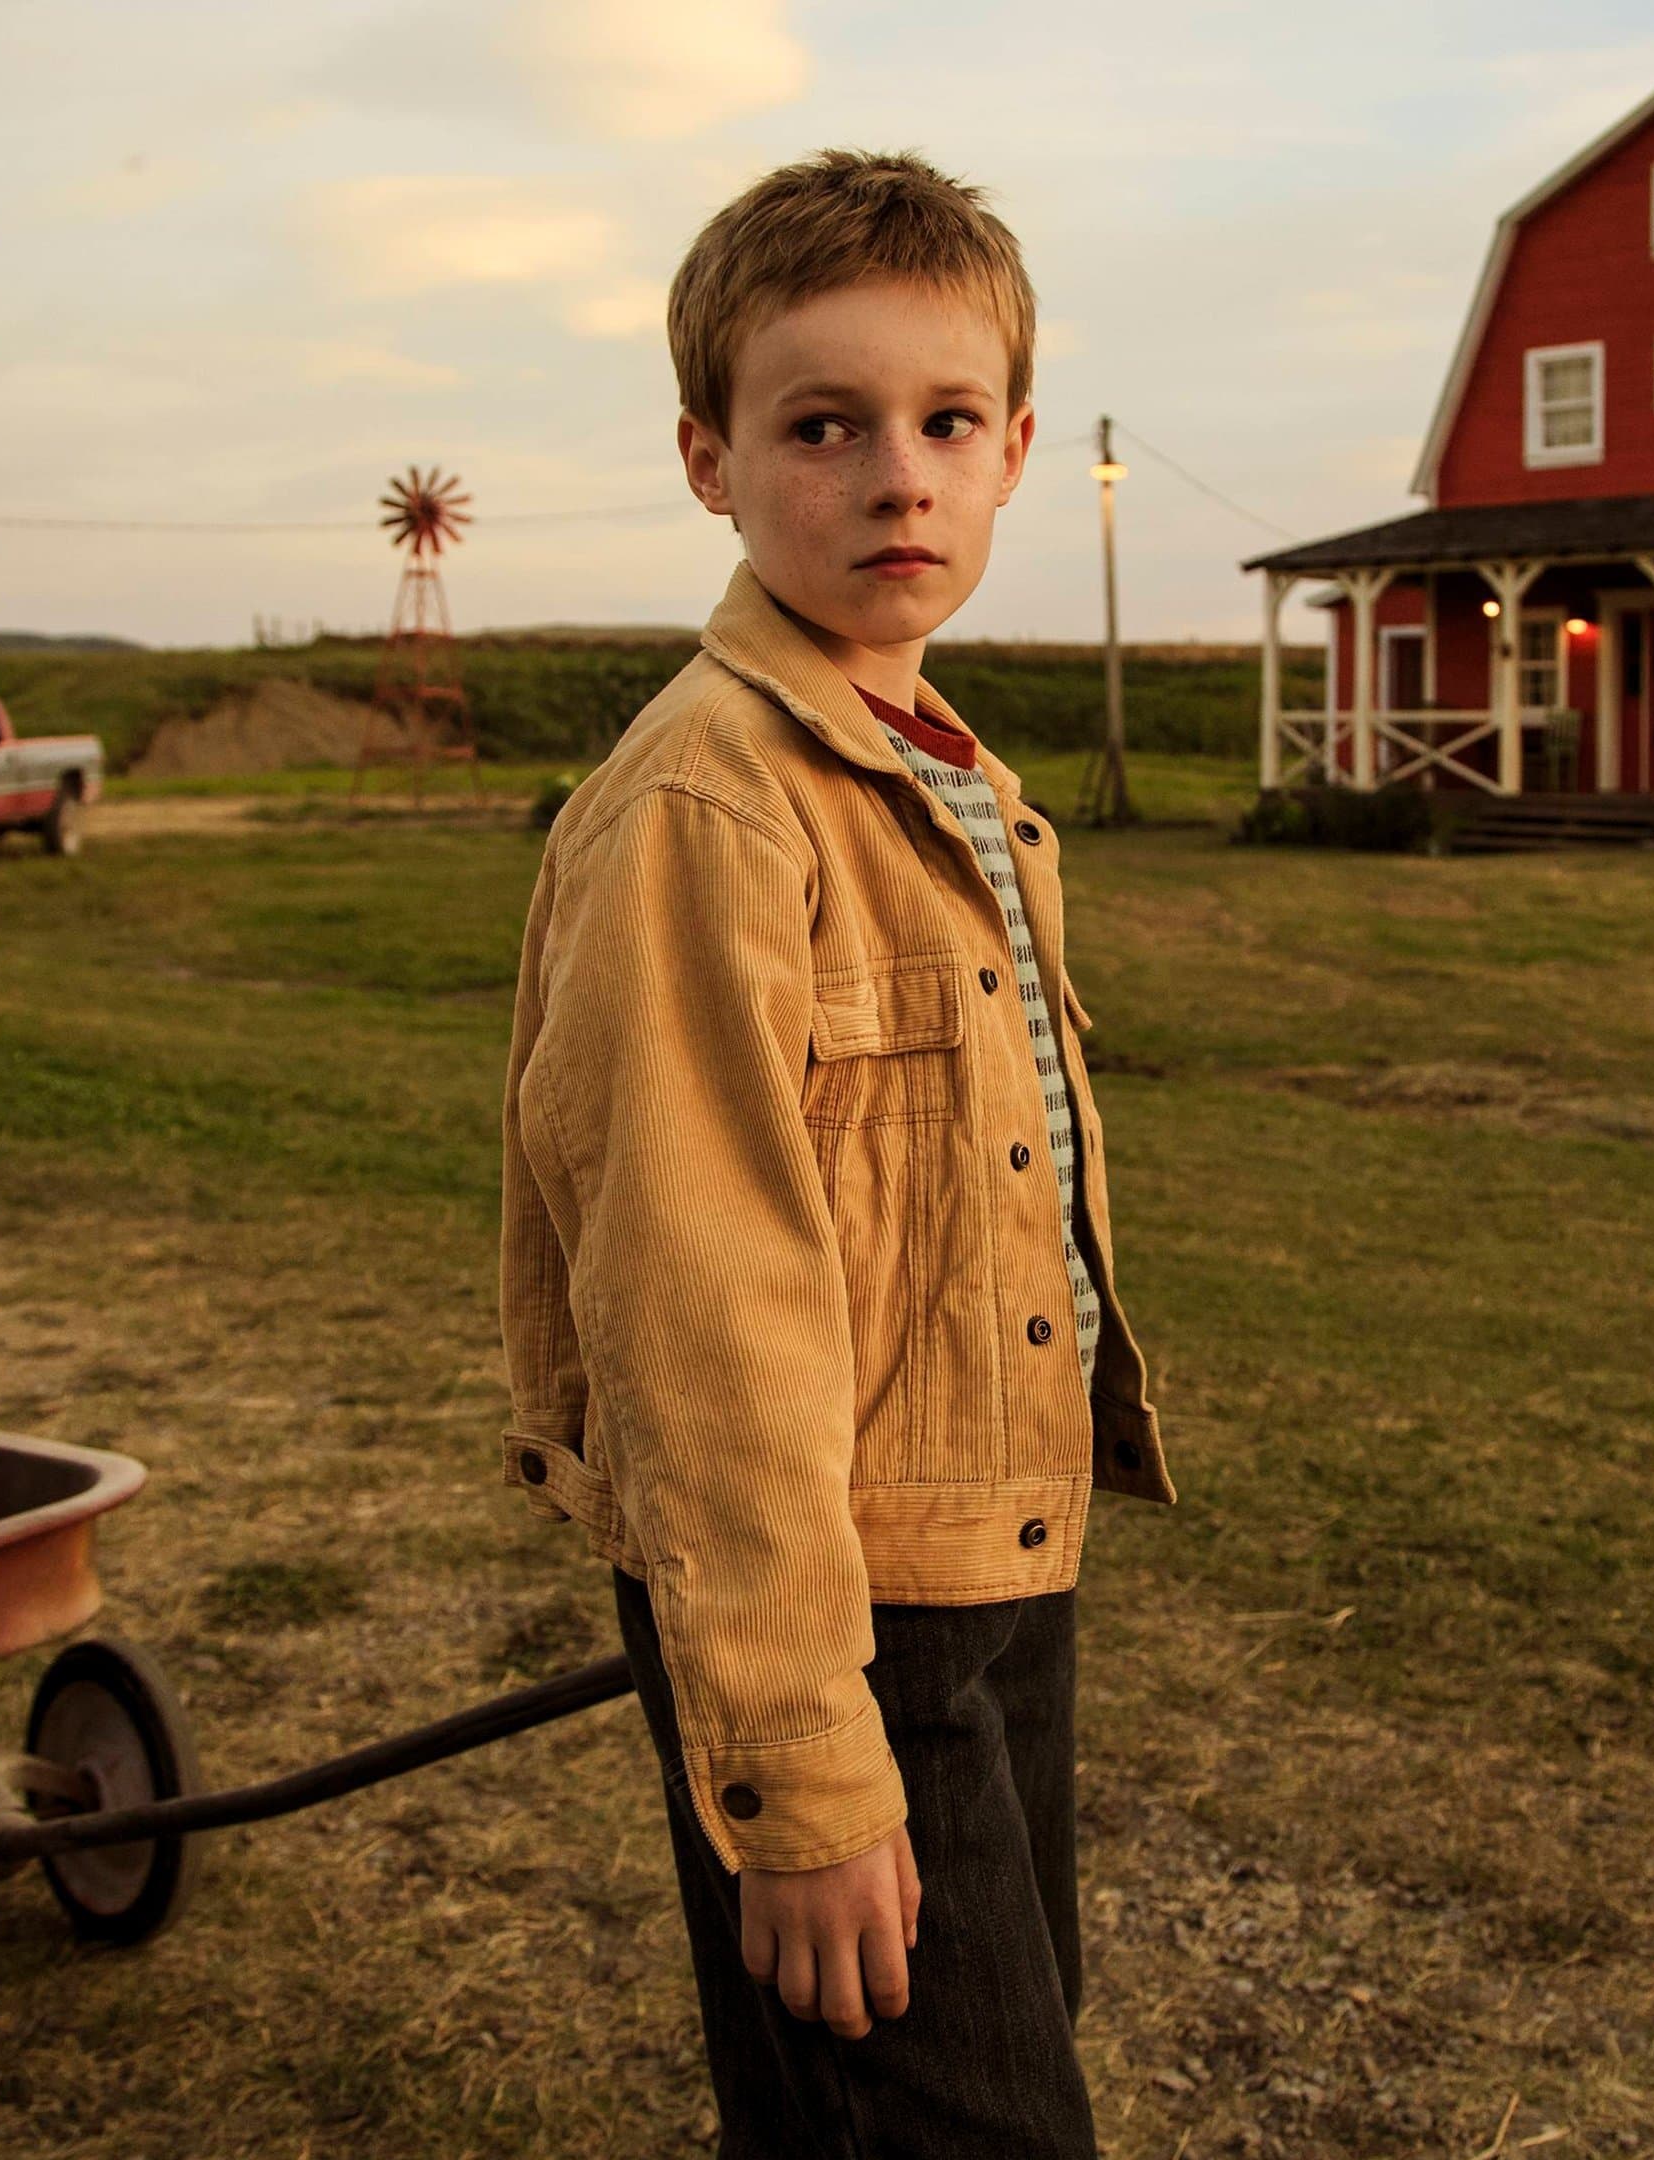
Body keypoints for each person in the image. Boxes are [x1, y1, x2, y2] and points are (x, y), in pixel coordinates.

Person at [493, 148, 1179, 2158]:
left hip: (990, 1559)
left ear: (1016, 449)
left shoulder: (943, 773)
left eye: (947, 421)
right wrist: (798, 1764)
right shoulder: (710, 814)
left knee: (930, 2078)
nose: (899, 476)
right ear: (710, 457)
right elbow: (699, 1319)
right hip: (839, 1603)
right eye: (825, 425)